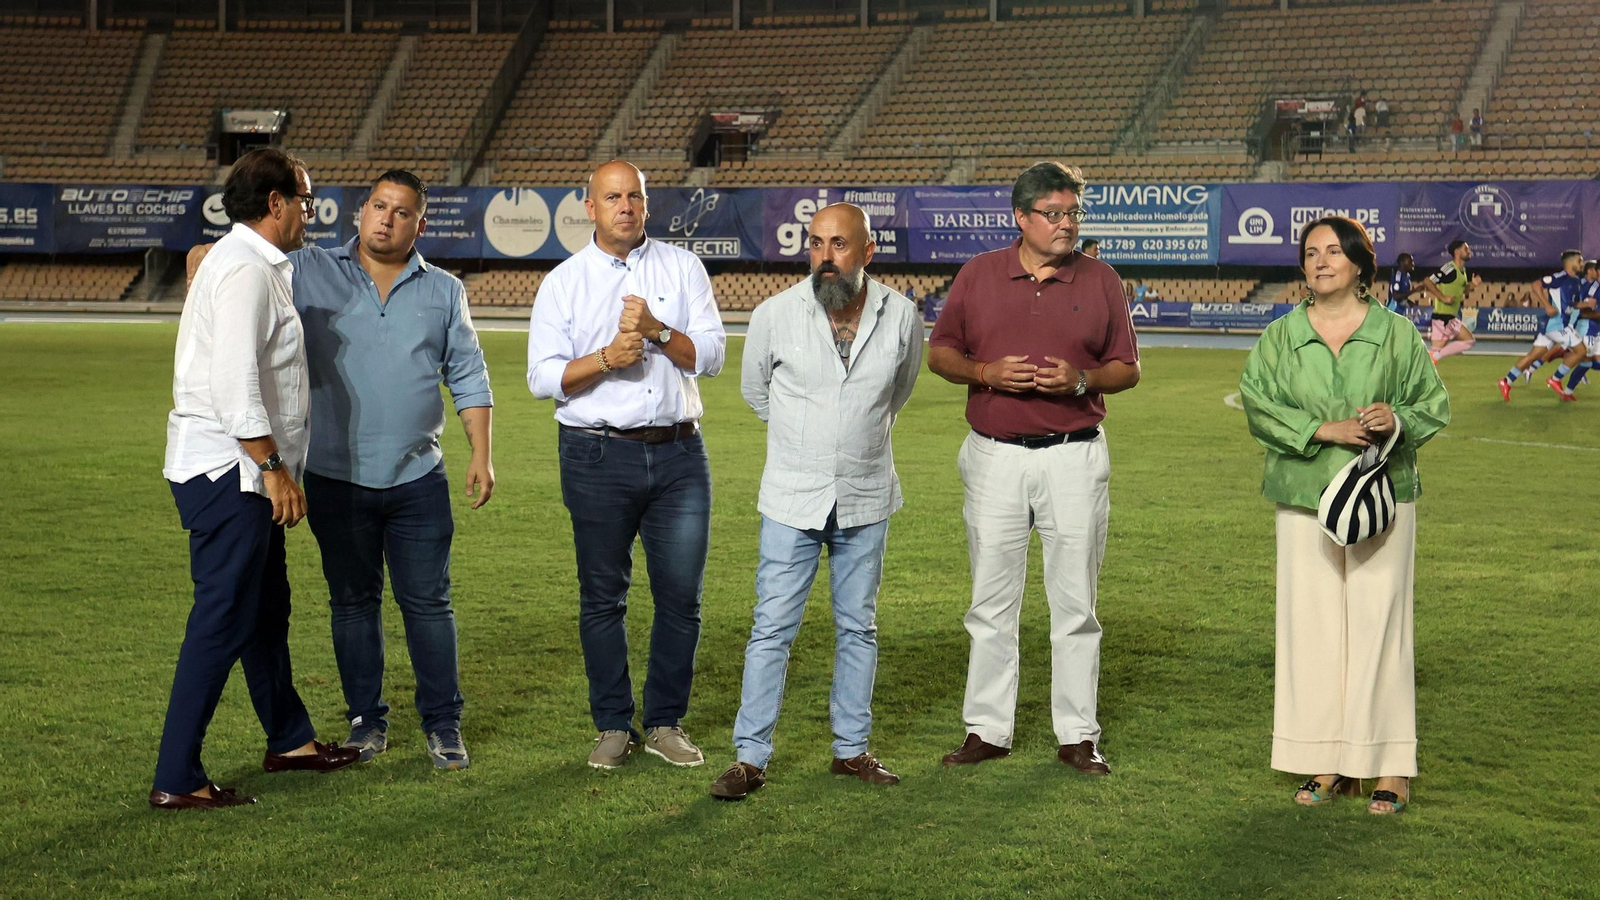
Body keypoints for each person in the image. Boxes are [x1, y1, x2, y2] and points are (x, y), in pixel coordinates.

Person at [187, 171, 495, 770]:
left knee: (429, 604)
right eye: (378, 206)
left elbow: (468, 375)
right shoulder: (306, 269)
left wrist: (480, 452)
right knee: (353, 603)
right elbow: (240, 253)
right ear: (360, 213)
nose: (386, 218)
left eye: (402, 212)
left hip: (417, 476)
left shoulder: (445, 291)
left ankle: (443, 724)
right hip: (334, 475)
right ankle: (365, 722)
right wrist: (205, 250)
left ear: (420, 225)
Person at [153, 148, 359, 810]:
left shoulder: (246, 262)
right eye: (304, 197)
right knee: (221, 619)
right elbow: (234, 381)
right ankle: (177, 775)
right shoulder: (244, 269)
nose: (310, 209)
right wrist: (273, 468)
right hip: (230, 471)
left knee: (266, 611)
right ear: (275, 203)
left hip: (237, 469)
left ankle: (289, 739)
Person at [926, 162, 1141, 775]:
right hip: (994, 455)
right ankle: (988, 730)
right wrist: (985, 373)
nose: (1068, 223)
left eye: (1074, 213)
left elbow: (1127, 368)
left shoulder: (1101, 279)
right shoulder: (979, 274)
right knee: (990, 603)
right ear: (1021, 218)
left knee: (1076, 604)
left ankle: (1077, 734)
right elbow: (942, 353)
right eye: (1055, 213)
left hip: (1075, 455)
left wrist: (1083, 380)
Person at [709, 203, 923, 801]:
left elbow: (897, 392)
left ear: (867, 250)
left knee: (859, 628)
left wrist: (846, 439)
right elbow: (757, 393)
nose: (826, 256)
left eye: (840, 244)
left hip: (866, 493)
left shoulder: (902, 315)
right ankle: (750, 758)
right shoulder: (774, 314)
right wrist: (810, 444)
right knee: (771, 628)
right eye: (817, 244)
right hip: (790, 497)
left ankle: (850, 751)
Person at [1239, 215, 1450, 816]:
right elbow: (1258, 403)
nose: (1321, 261)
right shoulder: (1280, 337)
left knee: (1380, 626)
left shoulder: (1397, 334)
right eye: (1311, 253)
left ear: (1360, 263)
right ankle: (1326, 760)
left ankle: (1388, 766)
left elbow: (1432, 404)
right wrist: (1319, 430)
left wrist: (1396, 419)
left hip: (1382, 496)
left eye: (1334, 251)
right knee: (1312, 630)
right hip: (1305, 494)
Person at [527, 160, 727, 770]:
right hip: (595, 453)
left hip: (678, 452)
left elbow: (713, 356)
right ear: (589, 206)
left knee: (681, 598)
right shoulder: (563, 282)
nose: (625, 207)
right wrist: (608, 358)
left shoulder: (682, 267)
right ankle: (613, 724)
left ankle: (665, 721)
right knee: (601, 597)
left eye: (634, 196)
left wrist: (659, 330)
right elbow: (542, 378)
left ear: (646, 203)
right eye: (612, 197)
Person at [1499, 251, 1585, 401]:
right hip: (1557, 325)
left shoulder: (1576, 281)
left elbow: (1573, 304)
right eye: (1580, 261)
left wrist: (1587, 304)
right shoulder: (1560, 277)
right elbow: (1536, 284)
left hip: (1554, 327)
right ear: (1570, 263)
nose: (1582, 264)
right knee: (1581, 351)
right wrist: (1547, 305)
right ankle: (1555, 379)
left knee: (1533, 356)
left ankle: (1506, 381)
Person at [1419, 240, 1479, 362]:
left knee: (1431, 357)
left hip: (1442, 317)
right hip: (1445, 318)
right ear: (1457, 252)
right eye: (1466, 249)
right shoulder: (1449, 268)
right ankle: (1436, 357)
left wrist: (1472, 285)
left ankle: (1414, 376)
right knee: (1469, 341)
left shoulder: (1462, 271)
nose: (1469, 251)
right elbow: (1427, 281)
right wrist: (1443, 298)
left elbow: (1463, 291)